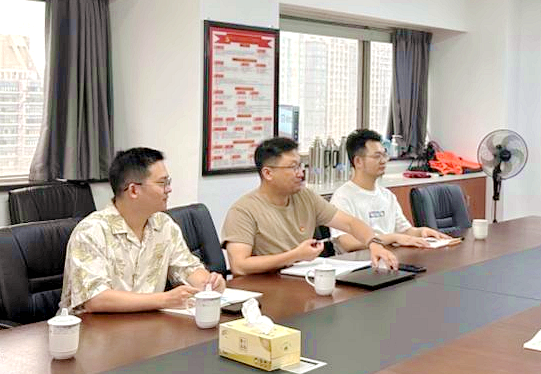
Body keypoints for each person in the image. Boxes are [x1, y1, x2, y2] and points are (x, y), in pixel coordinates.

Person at [60, 148, 225, 312]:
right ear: (133, 190)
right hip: (93, 330)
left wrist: (208, 283)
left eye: (168, 182)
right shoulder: (91, 232)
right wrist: (164, 300)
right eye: (162, 183)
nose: (169, 189)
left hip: (145, 324)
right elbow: (95, 299)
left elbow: (186, 268)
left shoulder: (164, 225)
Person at [222, 137, 399, 276]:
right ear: (268, 173)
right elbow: (240, 266)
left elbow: (350, 223)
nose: (301, 173)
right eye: (293, 168)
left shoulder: (305, 196)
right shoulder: (243, 211)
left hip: (299, 280)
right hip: (264, 288)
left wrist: (374, 243)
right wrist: (296, 256)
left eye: (301, 166)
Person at [329, 129, 454, 250]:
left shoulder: (387, 195)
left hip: (389, 260)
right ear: (358, 161)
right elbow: (347, 242)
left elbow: (405, 230)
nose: (383, 161)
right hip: (359, 265)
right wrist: (391, 238)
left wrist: (422, 232)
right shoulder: (342, 197)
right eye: (377, 156)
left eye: (384, 155)